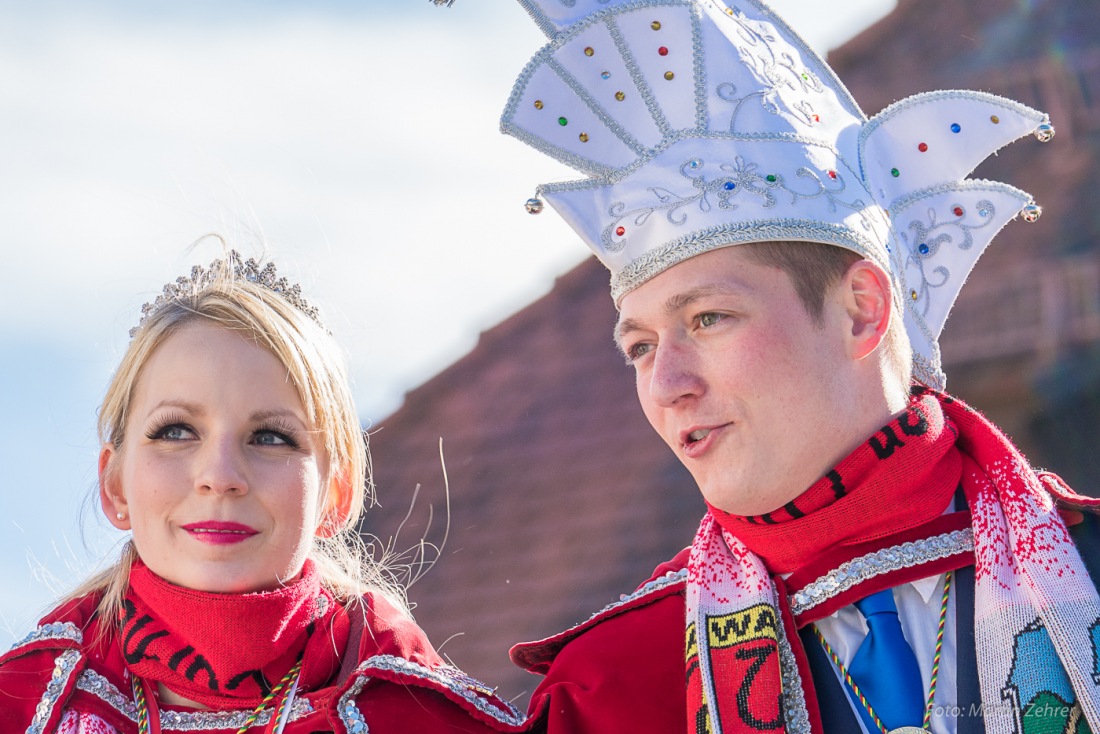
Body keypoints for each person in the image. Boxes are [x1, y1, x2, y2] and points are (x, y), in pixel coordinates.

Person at [494, 1, 1100, 732]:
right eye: (641, 347)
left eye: (707, 319)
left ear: (861, 311)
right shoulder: (616, 687)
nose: (666, 386)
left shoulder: (1089, 569)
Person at [0, 250, 526, 733]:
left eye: (271, 437)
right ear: (114, 485)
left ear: (336, 495)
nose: (221, 474)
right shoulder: (19, 704)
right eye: (176, 430)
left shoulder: (430, 718)